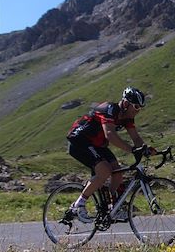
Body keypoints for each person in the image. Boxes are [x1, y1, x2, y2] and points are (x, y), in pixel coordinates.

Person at [66, 87, 156, 222]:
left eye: (140, 108)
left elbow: (136, 138)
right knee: (105, 171)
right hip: (80, 140)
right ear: (126, 104)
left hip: (97, 145)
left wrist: (145, 149)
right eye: (136, 107)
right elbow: (110, 135)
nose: (138, 111)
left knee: (117, 172)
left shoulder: (128, 118)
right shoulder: (109, 109)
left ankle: (112, 207)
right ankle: (78, 205)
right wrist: (132, 150)